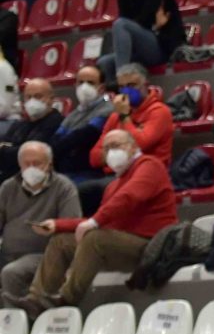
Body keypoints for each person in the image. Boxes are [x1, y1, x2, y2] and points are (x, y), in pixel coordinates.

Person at [7, 129, 177, 318]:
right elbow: (98, 219)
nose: (111, 152)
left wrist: (94, 222)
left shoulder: (150, 165)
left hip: (153, 246)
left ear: (133, 147)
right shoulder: (114, 185)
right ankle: (36, 299)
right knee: (61, 241)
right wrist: (57, 225)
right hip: (121, 242)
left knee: (95, 238)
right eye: (106, 148)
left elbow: (128, 198)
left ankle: (65, 299)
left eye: (116, 146)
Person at [80, 63, 172, 215]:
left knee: (88, 191)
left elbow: (140, 144)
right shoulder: (115, 116)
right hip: (115, 175)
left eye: (132, 85)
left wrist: (125, 116)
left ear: (145, 85)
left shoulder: (159, 112)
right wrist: (118, 151)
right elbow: (94, 157)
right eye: (122, 87)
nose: (126, 91)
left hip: (146, 175)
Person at [0, 142, 80, 305]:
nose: (31, 168)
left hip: (42, 255)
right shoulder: (8, 187)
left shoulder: (63, 187)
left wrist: (53, 225)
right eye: (26, 164)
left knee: (11, 272)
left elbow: (71, 223)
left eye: (37, 163)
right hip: (7, 253)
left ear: (49, 164)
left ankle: (16, 318)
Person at [95, 0, 185, 84]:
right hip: (138, 47)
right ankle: (114, 93)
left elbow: (146, 17)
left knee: (120, 24)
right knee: (103, 63)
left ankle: (123, 79)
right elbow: (130, 20)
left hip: (162, 45)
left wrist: (150, 27)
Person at [51, 65, 114, 178]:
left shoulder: (107, 109)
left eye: (90, 83)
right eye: (80, 82)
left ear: (101, 88)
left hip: (88, 172)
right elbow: (56, 138)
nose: (84, 87)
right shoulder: (74, 113)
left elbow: (85, 135)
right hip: (65, 170)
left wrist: (58, 148)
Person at [0, 79, 64, 181]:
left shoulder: (56, 122)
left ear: (51, 99)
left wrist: (6, 150)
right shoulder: (20, 124)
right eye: (28, 97)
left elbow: (27, 154)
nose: (32, 101)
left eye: (38, 96)